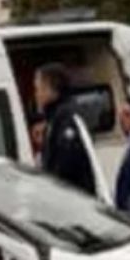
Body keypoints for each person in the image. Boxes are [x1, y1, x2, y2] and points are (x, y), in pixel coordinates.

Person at [33, 63, 98, 196]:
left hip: (74, 200)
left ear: (51, 89)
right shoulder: (55, 118)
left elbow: (66, 166)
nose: (36, 95)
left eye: (38, 89)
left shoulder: (68, 118)